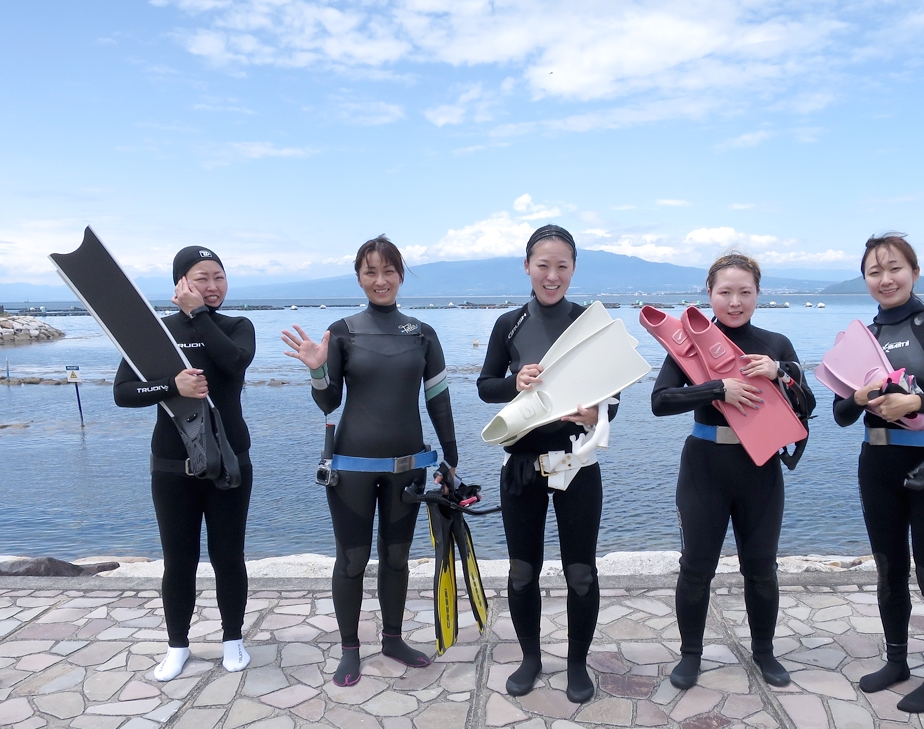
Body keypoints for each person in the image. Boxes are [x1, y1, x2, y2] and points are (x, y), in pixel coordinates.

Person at [282, 235, 458, 687]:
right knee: (352, 561)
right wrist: (317, 368)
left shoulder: (423, 333)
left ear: (401, 275)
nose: (380, 280)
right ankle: (349, 649)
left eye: (388, 271)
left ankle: (393, 639)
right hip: (351, 468)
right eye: (370, 272)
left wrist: (450, 460)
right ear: (359, 278)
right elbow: (329, 403)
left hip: (408, 464)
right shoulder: (341, 332)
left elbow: (439, 402)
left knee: (397, 558)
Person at [652, 253, 815, 690]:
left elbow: (809, 407)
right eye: (725, 292)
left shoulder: (775, 343)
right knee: (695, 568)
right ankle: (690, 655)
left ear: (758, 294)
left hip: (759, 467)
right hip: (704, 465)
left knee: (761, 567)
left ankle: (764, 652)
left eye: (745, 292)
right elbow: (660, 401)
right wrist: (716, 388)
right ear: (709, 294)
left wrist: (781, 374)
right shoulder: (690, 343)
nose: (735, 301)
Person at [833, 233, 924, 713]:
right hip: (877, 466)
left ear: (913, 271)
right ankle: (897, 661)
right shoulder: (861, 339)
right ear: (865, 279)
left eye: (894, 268)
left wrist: (916, 401)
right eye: (875, 271)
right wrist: (859, 397)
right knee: (890, 573)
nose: (885, 279)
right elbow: (840, 413)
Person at [477, 224, 613, 704]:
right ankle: (531, 658)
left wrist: (597, 412)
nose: (552, 275)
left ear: (574, 269)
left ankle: (577, 664)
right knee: (521, 570)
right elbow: (485, 385)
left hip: (577, 464)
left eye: (562, 266)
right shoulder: (509, 325)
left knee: (581, 572)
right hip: (522, 466)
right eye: (543, 265)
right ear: (527, 266)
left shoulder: (589, 324)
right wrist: (516, 381)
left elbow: (611, 399)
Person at [114, 246, 255, 682]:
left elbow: (233, 364)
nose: (212, 286)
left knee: (228, 556)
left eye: (219, 277)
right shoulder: (156, 332)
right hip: (172, 468)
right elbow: (122, 393)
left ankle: (233, 640)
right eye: (200, 278)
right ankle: (178, 645)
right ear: (181, 283)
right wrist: (168, 385)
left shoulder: (237, 327)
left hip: (230, 461)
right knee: (179, 561)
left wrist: (197, 316)